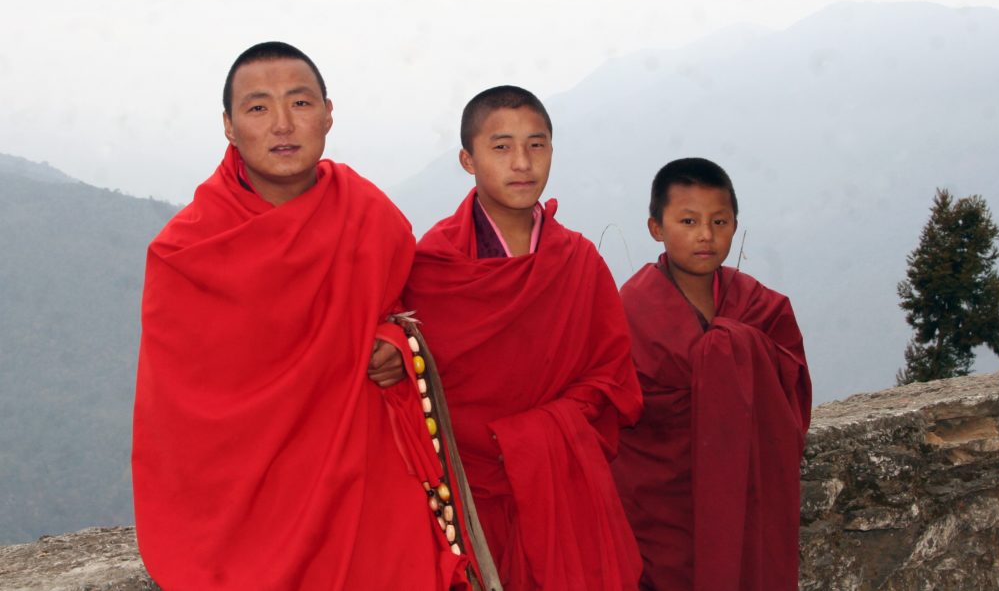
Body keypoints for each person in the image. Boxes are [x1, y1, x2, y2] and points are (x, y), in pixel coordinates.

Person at [132, 42, 469, 590]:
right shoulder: (187, 252)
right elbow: (177, 415)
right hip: (246, 498)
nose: (283, 124)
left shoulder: (369, 216)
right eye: (259, 108)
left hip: (361, 480)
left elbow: (415, 309)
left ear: (329, 113)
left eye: (301, 103)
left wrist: (394, 341)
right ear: (228, 125)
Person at [402, 86, 644, 590]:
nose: (522, 163)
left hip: (561, 484)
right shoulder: (434, 267)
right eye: (501, 146)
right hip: (469, 493)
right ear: (468, 159)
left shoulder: (577, 262)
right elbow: (413, 381)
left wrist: (537, 437)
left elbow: (613, 376)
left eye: (537, 145)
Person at [611, 158, 812, 591]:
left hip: (745, 501)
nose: (706, 234)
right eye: (688, 221)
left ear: (735, 225)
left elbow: (790, 391)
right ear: (656, 228)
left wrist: (730, 351)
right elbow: (614, 417)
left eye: (719, 221)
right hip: (661, 517)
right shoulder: (629, 314)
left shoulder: (759, 306)